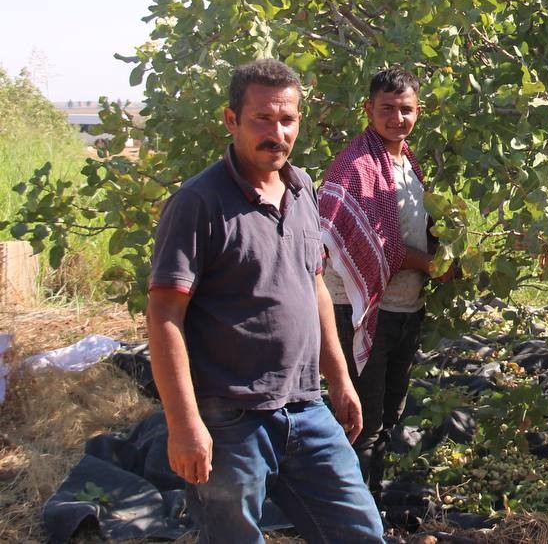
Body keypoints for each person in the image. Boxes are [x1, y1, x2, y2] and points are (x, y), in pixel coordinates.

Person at [146, 58, 383, 543]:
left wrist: (339, 380)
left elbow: (314, 284)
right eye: (262, 119)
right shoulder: (199, 203)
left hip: (306, 408)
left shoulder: (302, 189)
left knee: (360, 532)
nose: (277, 132)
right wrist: (184, 423)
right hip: (229, 419)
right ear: (231, 120)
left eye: (288, 119)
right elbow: (165, 314)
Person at [318, 65, 441, 496]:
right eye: (387, 109)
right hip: (359, 311)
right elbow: (376, 245)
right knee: (360, 424)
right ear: (368, 110)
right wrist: (430, 265)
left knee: (387, 418)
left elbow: (408, 231)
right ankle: (352, 520)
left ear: (418, 111)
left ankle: (371, 513)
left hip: (404, 309)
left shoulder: (407, 162)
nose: (397, 118)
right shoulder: (355, 166)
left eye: (405, 109)